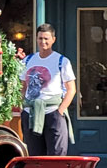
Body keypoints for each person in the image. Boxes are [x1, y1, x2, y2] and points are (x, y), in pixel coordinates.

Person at [20, 23, 76, 155]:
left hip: (52, 112)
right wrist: (23, 105)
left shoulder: (62, 61)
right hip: (31, 113)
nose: (43, 42)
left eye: (46, 38)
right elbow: (22, 87)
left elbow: (71, 89)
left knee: (56, 155)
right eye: (40, 38)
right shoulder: (27, 60)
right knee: (34, 157)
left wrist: (60, 111)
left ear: (53, 40)